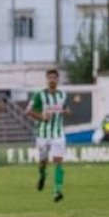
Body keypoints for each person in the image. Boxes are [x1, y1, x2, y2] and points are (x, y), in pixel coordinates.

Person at [27, 69, 69, 202]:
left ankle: (57, 191)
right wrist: (42, 117)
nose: (52, 80)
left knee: (58, 162)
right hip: (43, 134)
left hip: (58, 134)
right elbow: (28, 111)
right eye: (50, 77)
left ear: (57, 80)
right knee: (43, 162)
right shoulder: (39, 95)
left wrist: (67, 111)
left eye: (54, 78)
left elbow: (65, 108)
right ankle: (42, 175)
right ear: (47, 79)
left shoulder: (63, 95)